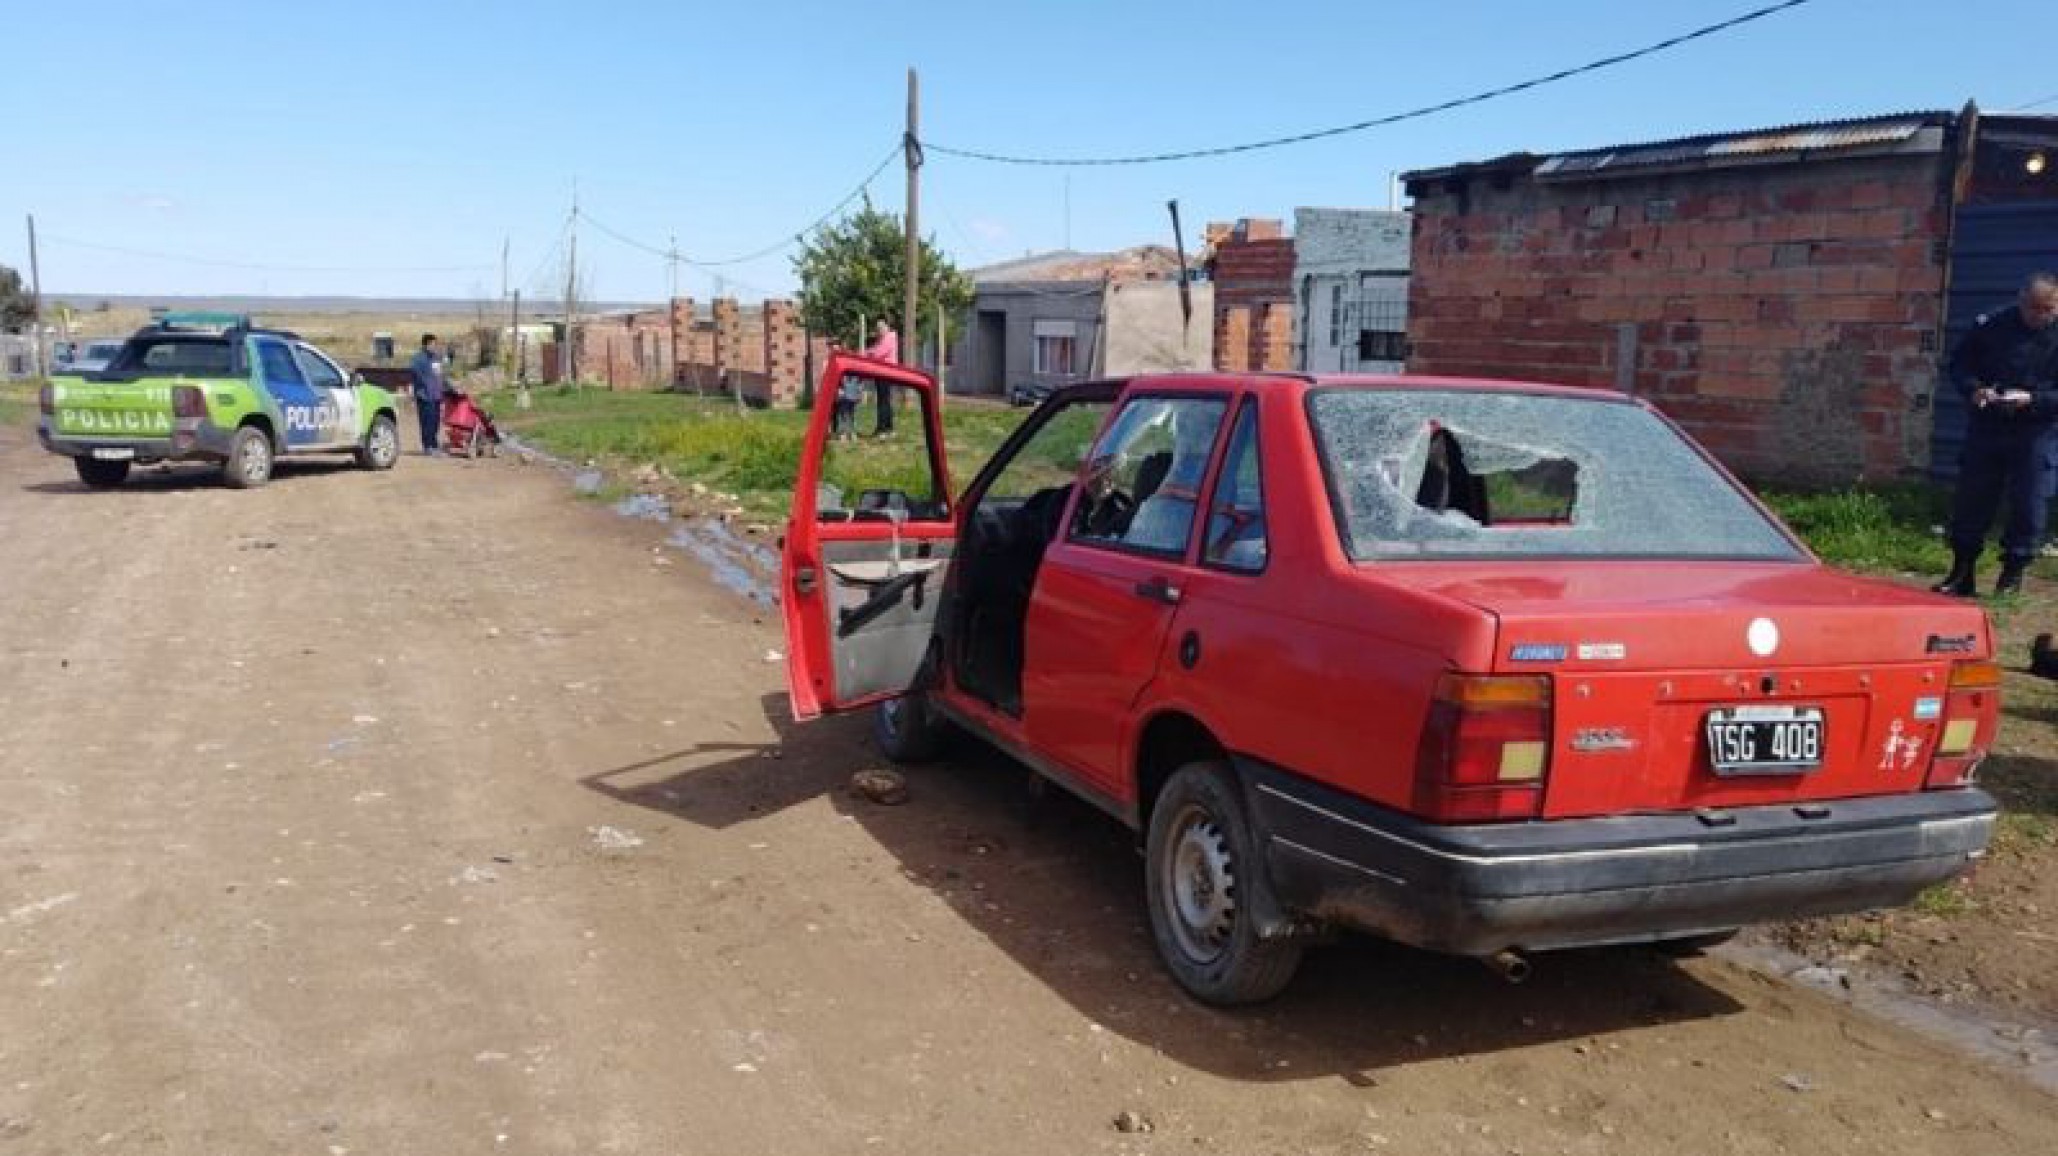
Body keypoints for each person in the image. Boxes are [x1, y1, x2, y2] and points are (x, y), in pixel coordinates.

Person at [1933, 272, 2058, 596]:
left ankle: (2012, 576)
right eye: (2033, 308)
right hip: (1989, 424)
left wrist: (2034, 399)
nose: (2039, 315)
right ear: (2020, 300)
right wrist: (1974, 390)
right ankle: (1962, 572)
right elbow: (1960, 364)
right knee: (1972, 499)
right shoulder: (1991, 325)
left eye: (2048, 309)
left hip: (2036, 430)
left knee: (2030, 504)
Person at [410, 333, 447, 455]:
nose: (434, 346)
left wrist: (447, 388)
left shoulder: (436, 359)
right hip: (424, 396)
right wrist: (422, 387)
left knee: (435, 422)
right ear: (425, 344)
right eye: (432, 344)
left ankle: (434, 445)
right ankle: (427, 447)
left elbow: (440, 376)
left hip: (436, 396)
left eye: (435, 344)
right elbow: (415, 376)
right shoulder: (417, 359)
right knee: (427, 422)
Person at [865, 319, 899, 435]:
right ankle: (888, 428)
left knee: (883, 401)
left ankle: (882, 428)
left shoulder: (890, 337)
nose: (879, 330)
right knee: (883, 400)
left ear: (887, 327)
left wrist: (868, 352)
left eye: (881, 327)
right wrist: (870, 351)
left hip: (886, 372)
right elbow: (875, 351)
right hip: (881, 372)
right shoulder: (882, 339)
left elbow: (879, 353)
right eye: (877, 328)